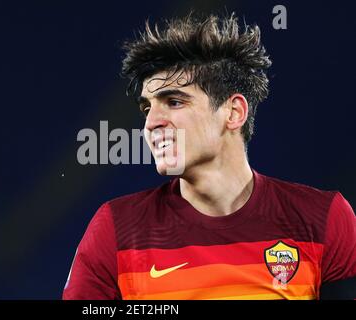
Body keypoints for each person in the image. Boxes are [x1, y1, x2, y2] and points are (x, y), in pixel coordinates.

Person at [62, 13, 356, 300]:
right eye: (146, 109)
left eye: (174, 101)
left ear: (234, 112)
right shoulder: (116, 229)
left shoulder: (324, 219)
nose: (151, 123)